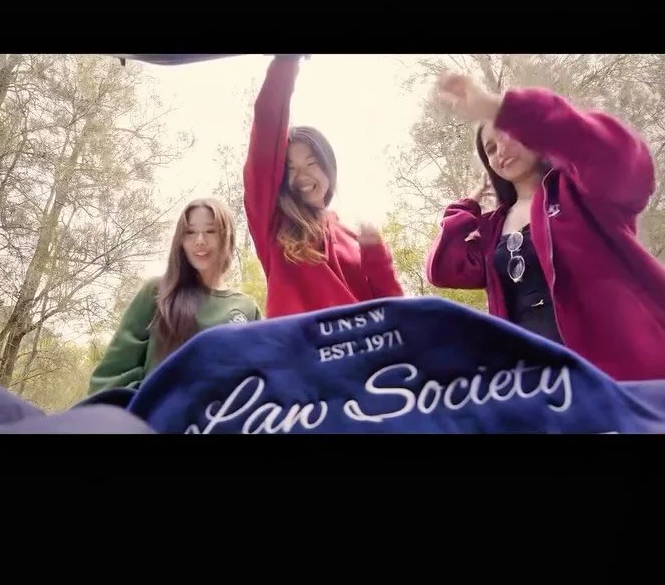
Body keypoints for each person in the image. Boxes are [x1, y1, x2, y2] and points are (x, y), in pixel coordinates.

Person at [426, 71, 665, 382]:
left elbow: (611, 153)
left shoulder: (581, 191)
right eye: (491, 148)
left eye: (507, 133)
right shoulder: (493, 228)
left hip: (619, 379)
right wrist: (465, 207)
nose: (501, 150)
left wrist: (498, 108)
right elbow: (444, 270)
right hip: (536, 386)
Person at [243, 54, 403, 318]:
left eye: (311, 163)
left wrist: (376, 254)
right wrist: (286, 62)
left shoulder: (352, 238)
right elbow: (266, 125)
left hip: (358, 343)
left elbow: (393, 310)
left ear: (329, 167)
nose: (302, 175)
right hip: (300, 343)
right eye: (291, 168)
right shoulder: (273, 223)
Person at [88, 198, 261, 394]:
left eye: (210, 231)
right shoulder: (158, 292)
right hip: (155, 412)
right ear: (181, 240)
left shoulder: (246, 308)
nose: (200, 241)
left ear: (227, 237)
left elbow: (257, 380)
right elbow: (111, 375)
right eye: (190, 232)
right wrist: (145, 405)